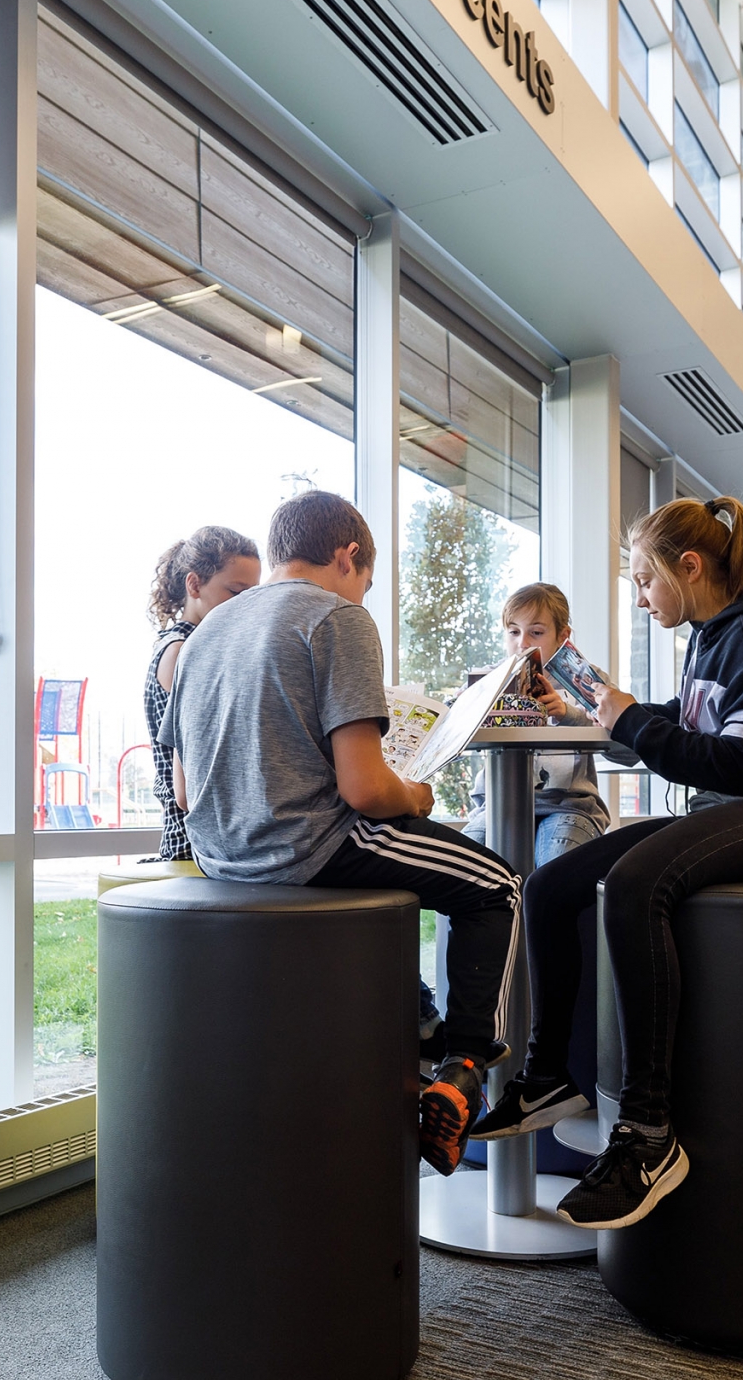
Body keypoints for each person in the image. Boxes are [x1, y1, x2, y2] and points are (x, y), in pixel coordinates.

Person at [472, 495, 743, 1230]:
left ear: (690, 566)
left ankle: (648, 1134)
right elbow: (673, 730)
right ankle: (548, 1077)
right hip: (737, 809)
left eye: (645, 581)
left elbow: (740, 764)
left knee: (636, 885)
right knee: (552, 885)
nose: (641, 599)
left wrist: (624, 715)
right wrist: (584, 714)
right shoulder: (710, 638)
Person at [166, 490, 519, 1176]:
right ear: (349, 554)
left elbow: (183, 789)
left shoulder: (205, 633)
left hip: (222, 861)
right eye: (366, 576)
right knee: (497, 884)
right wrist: (415, 792)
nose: (363, 590)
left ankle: (417, 1032)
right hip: (312, 847)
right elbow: (363, 788)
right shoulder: (338, 617)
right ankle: (465, 1068)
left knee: (431, 870)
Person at [462, 583, 611, 864]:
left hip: (570, 805)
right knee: (462, 872)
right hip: (495, 806)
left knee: (555, 865)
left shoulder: (589, 681)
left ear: (563, 636)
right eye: (514, 632)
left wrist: (569, 713)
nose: (523, 643)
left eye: (537, 632)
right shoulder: (488, 680)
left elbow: (623, 741)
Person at [142, 527, 260, 863]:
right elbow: (191, 781)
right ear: (194, 585)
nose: (245, 607)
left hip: (207, 838)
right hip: (196, 844)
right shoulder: (183, 650)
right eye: (236, 593)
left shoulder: (187, 644)